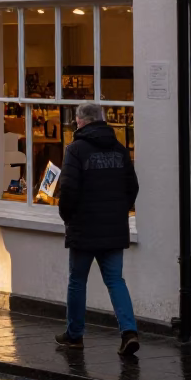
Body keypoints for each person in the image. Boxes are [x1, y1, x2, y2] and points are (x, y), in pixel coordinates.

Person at [55, 102, 141, 356]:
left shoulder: (75, 150)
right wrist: (118, 212)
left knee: (77, 281)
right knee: (115, 280)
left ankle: (75, 336)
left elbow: (68, 190)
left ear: (82, 121)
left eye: (77, 121)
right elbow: (132, 187)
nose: (76, 124)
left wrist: (67, 217)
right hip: (114, 227)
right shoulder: (119, 149)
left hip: (84, 227)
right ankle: (129, 332)